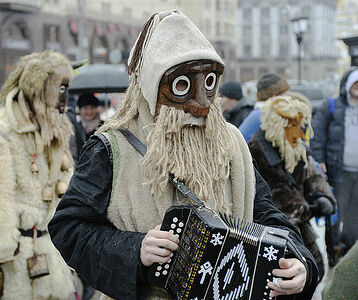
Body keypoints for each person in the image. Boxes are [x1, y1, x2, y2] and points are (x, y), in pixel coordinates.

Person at [48, 10, 318, 300]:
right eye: (182, 85)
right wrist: (134, 249)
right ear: (153, 86)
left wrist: (298, 261)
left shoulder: (232, 142)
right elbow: (69, 228)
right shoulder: (110, 148)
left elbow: (267, 215)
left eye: (210, 83)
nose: (201, 104)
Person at [0, 51, 76, 299]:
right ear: (39, 88)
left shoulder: (56, 128)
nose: (64, 97)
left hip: (53, 250)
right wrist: (5, 248)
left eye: (67, 88)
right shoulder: (6, 129)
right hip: (18, 256)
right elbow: (3, 195)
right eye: (59, 88)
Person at [248, 95, 336, 282]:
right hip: (275, 237)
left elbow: (311, 174)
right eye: (294, 124)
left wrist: (322, 194)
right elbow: (275, 198)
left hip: (301, 233)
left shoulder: (294, 147)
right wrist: (307, 209)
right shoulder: (256, 153)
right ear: (280, 124)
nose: (301, 131)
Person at [310, 67, 358, 259]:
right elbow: (317, 135)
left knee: (355, 216)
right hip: (339, 172)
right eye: (355, 83)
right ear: (348, 86)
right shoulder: (332, 107)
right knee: (335, 213)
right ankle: (334, 252)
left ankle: (348, 252)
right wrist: (320, 160)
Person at [239, 73, 290, 142]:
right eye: (285, 95)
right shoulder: (262, 115)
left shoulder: (259, 114)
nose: (289, 99)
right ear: (274, 96)